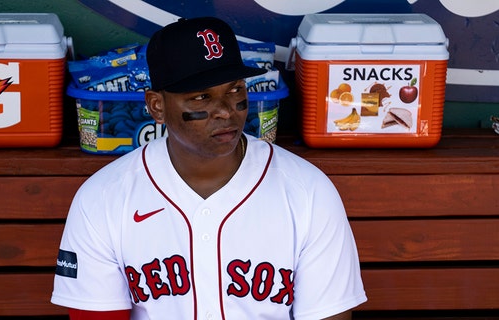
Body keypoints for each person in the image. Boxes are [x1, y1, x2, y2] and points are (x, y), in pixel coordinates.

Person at [51, 16, 367, 320]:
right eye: (202, 96)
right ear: (157, 106)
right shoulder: (102, 199)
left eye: (235, 90)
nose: (225, 111)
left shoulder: (308, 191)